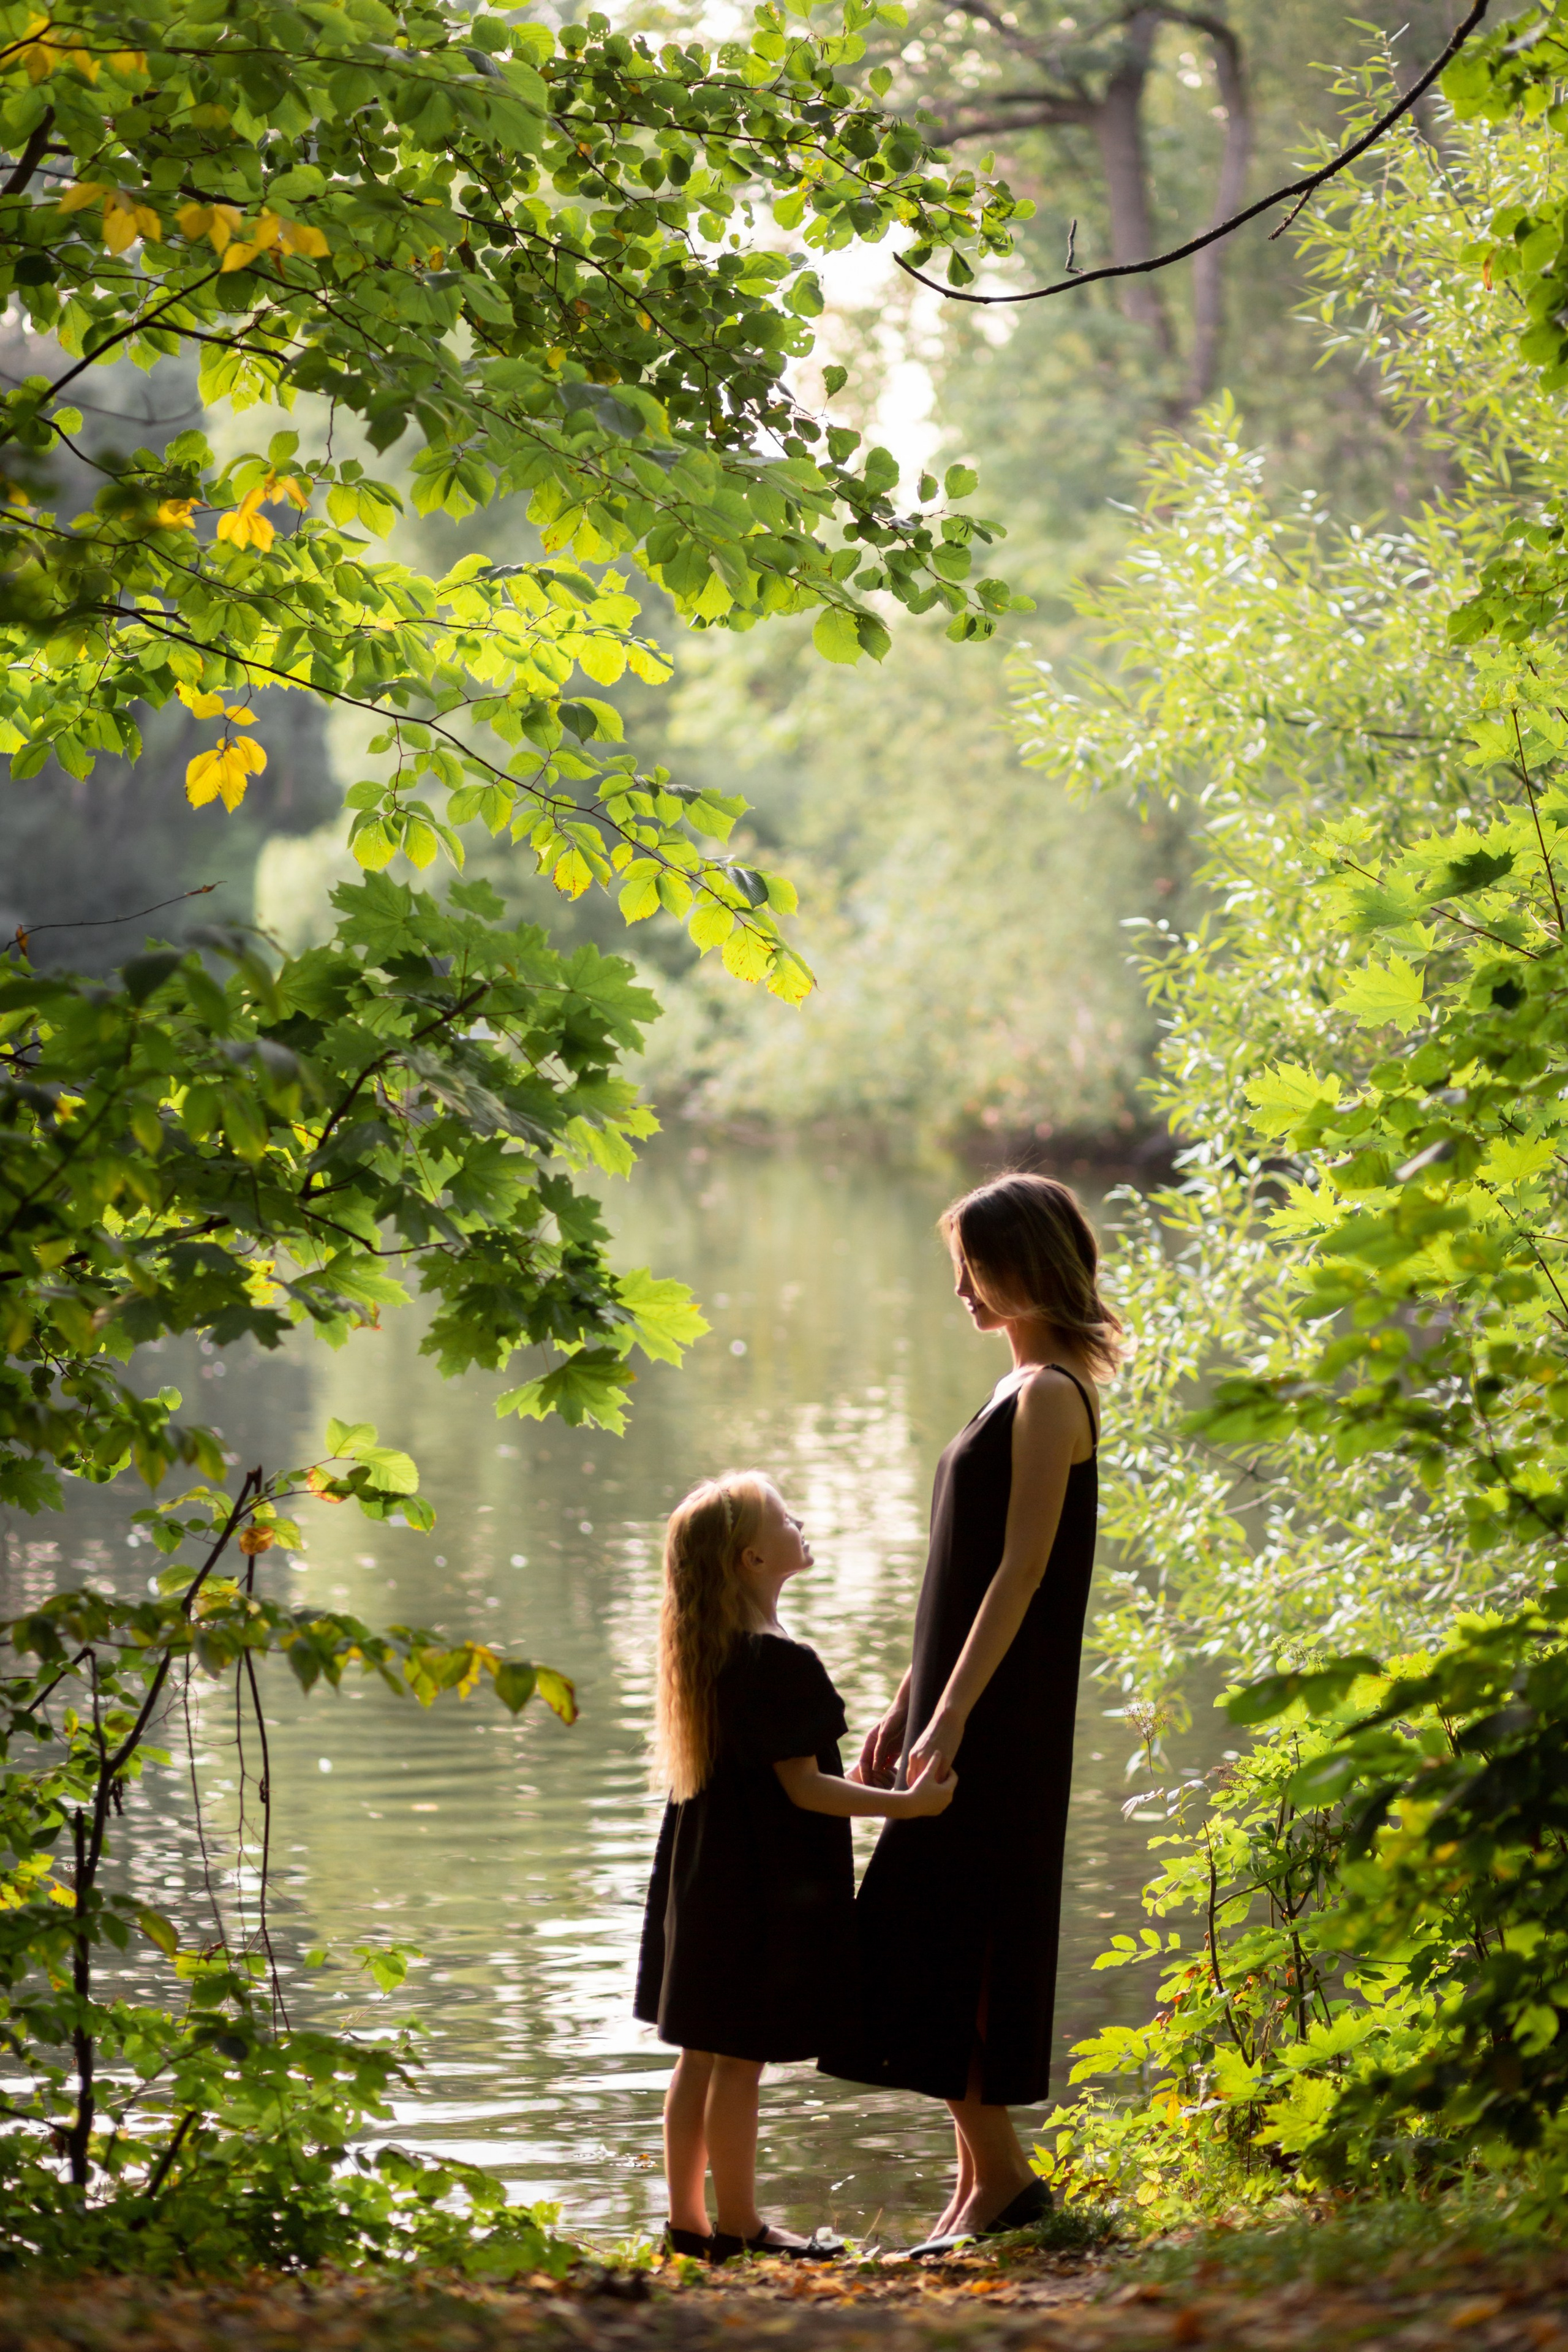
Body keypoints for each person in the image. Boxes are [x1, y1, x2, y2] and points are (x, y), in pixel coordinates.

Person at [820, 1172, 1120, 2256]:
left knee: (941, 1929)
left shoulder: (1050, 1397)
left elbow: (1023, 1573)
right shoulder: (1008, 1391)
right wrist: (906, 1703)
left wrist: (948, 1718)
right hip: (959, 1703)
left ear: (1027, 1266)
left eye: (975, 1266)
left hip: (1003, 1716)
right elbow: (956, 1576)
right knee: (930, 1929)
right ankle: (984, 2186)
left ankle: (998, 2183)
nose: (960, 1288)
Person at [635, 1471, 955, 2263]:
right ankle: (741, 2228)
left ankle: (688, 2225)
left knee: (699, 2055)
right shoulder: (781, 1661)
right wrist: (909, 1807)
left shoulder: (707, 1655)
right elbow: (804, 1787)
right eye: (784, 1517)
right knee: (738, 2061)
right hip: (752, 1893)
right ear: (751, 1557)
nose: (800, 1521)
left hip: (700, 1883)